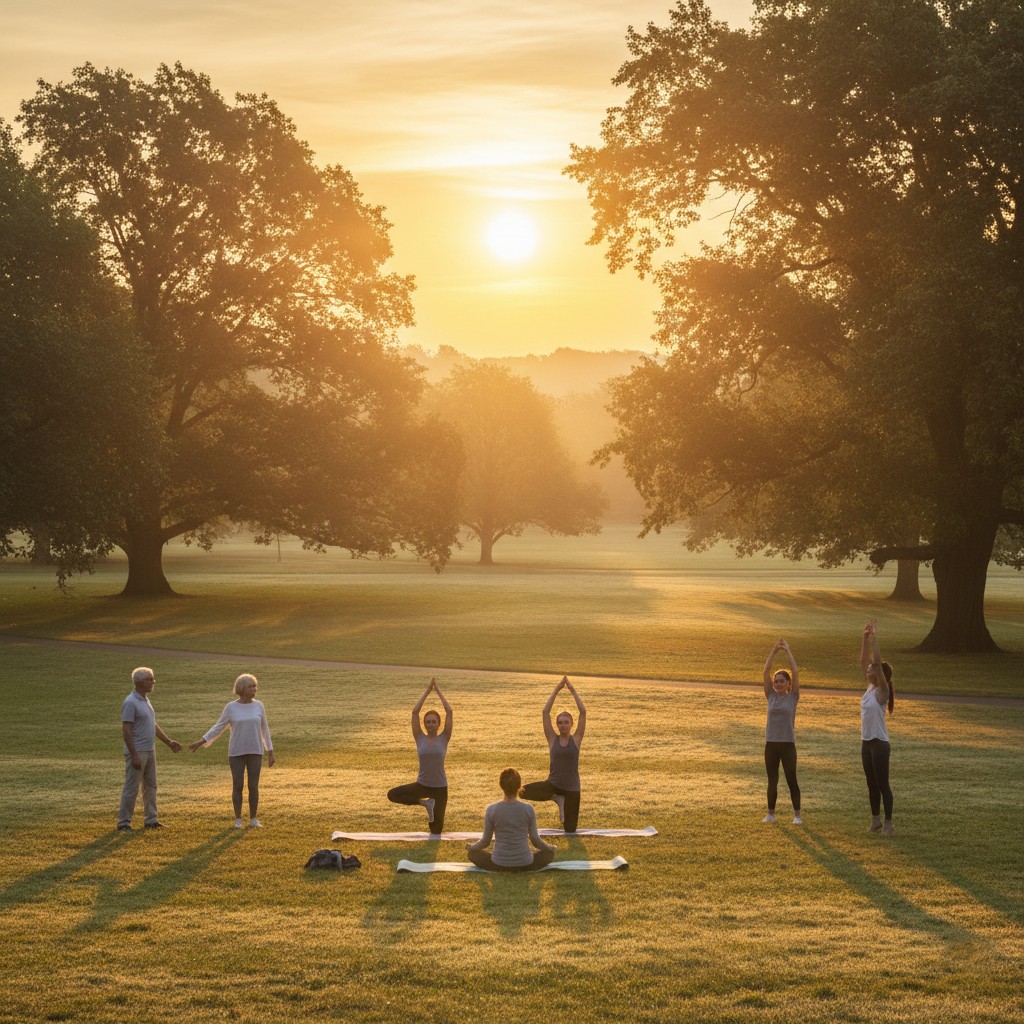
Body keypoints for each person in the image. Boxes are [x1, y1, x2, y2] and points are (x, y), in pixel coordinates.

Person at [189, 673, 275, 829]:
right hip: (236, 751)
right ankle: (238, 819)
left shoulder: (259, 705)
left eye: (255, 686)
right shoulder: (231, 707)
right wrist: (201, 741)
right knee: (238, 784)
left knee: (253, 785)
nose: (254, 689)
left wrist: (270, 750)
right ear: (241, 689)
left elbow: (265, 729)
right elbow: (219, 727)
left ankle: (253, 819)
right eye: (250, 686)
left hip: (255, 750)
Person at [118, 666, 181, 831]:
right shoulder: (130, 702)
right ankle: (124, 822)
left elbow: (151, 725)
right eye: (150, 679)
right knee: (132, 787)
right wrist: (134, 755)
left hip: (149, 750)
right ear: (139, 682)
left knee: (151, 786)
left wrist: (168, 742)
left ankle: (151, 820)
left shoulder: (145, 700)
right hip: (138, 751)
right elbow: (126, 730)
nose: (154, 682)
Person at [387, 678, 452, 835]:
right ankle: (425, 804)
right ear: (424, 724)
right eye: (428, 722)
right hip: (422, 785)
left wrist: (437, 690)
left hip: (440, 789)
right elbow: (415, 712)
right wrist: (427, 691)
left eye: (433, 722)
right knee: (393, 794)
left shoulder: (444, 737)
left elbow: (449, 711)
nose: (430, 724)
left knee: (436, 831)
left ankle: (432, 805)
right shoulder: (419, 737)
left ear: (438, 724)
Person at [520, 676, 585, 833]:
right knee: (521, 791)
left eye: (566, 722)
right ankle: (556, 798)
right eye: (560, 722)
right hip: (553, 786)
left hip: (572, 790)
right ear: (556, 725)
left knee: (570, 831)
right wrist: (556, 689)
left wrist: (572, 690)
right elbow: (545, 712)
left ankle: (561, 800)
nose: (563, 725)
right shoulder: (552, 739)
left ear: (571, 724)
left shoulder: (576, 739)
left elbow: (583, 712)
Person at [466, 768, 557, 871]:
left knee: (472, 854)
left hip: (498, 863)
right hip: (525, 863)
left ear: (501, 785)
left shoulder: (491, 809)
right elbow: (535, 840)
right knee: (549, 854)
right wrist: (550, 848)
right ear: (519, 786)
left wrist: (472, 847)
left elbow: (485, 841)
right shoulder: (528, 809)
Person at [860, 620, 896, 836]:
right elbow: (864, 660)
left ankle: (889, 823)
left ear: (880, 674)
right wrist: (864, 638)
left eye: (872, 670)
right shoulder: (869, 688)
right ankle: (876, 821)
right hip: (866, 744)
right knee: (871, 785)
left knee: (883, 784)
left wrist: (875, 637)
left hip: (880, 745)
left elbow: (875, 660)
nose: (868, 670)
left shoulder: (882, 692)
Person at [761, 638, 802, 825]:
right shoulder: (770, 696)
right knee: (772, 780)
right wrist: (773, 650)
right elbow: (765, 671)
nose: (777, 684)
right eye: (776, 681)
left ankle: (797, 815)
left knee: (791, 778)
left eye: (781, 681)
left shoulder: (793, 697)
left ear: (788, 683)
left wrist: (787, 651)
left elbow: (795, 671)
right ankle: (771, 814)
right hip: (771, 744)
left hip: (787, 744)